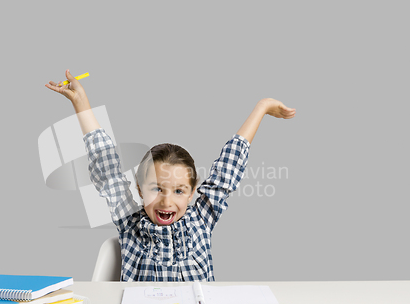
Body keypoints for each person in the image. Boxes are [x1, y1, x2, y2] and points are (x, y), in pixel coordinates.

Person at [46, 70, 296, 281]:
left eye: (178, 191)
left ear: (192, 191)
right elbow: (107, 167)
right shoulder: (130, 221)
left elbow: (228, 168)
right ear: (140, 189)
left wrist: (261, 108)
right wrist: (81, 104)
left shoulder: (201, 218)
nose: (166, 202)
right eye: (156, 189)